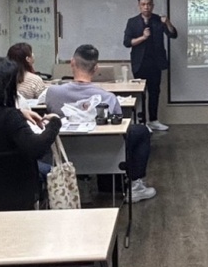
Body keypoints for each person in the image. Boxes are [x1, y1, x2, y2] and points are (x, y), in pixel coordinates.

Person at [43, 45, 156, 202]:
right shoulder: (108, 98)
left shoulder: (53, 93)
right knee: (141, 131)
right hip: (104, 152)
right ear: (96, 68)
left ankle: (82, 183)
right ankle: (135, 186)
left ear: (72, 63)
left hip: (64, 151)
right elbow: (119, 127)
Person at [123, 0, 177, 131]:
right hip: (139, 63)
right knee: (140, 94)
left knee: (154, 92)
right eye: (143, 4)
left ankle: (153, 120)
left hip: (156, 63)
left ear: (152, 5)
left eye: (148, 4)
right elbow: (127, 42)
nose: (146, 7)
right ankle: (142, 122)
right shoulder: (132, 22)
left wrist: (167, 22)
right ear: (139, 6)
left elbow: (173, 34)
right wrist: (143, 37)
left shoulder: (159, 20)